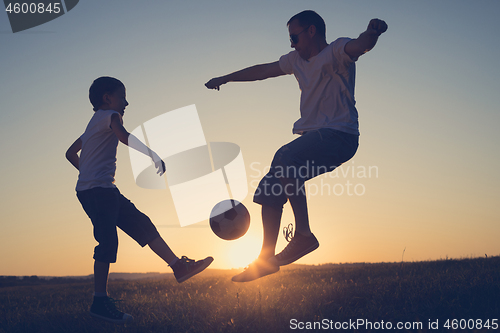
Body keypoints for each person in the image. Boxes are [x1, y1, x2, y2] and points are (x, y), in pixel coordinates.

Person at [205, 10, 387, 282]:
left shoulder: (336, 52)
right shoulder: (296, 61)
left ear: (311, 31)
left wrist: (373, 32)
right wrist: (226, 78)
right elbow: (262, 71)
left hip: (340, 137)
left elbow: (360, 45)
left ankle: (303, 234)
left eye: (294, 37)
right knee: (270, 188)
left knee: (284, 156)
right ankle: (266, 259)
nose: (292, 44)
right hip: (315, 141)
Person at [66, 76, 213, 323]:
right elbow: (123, 136)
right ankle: (99, 302)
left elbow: (70, 153)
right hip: (98, 191)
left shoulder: (92, 124)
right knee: (107, 241)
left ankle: (178, 266)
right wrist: (152, 154)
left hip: (100, 190)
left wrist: (86, 173)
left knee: (141, 224)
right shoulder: (112, 116)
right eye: (122, 96)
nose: (126, 102)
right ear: (108, 98)